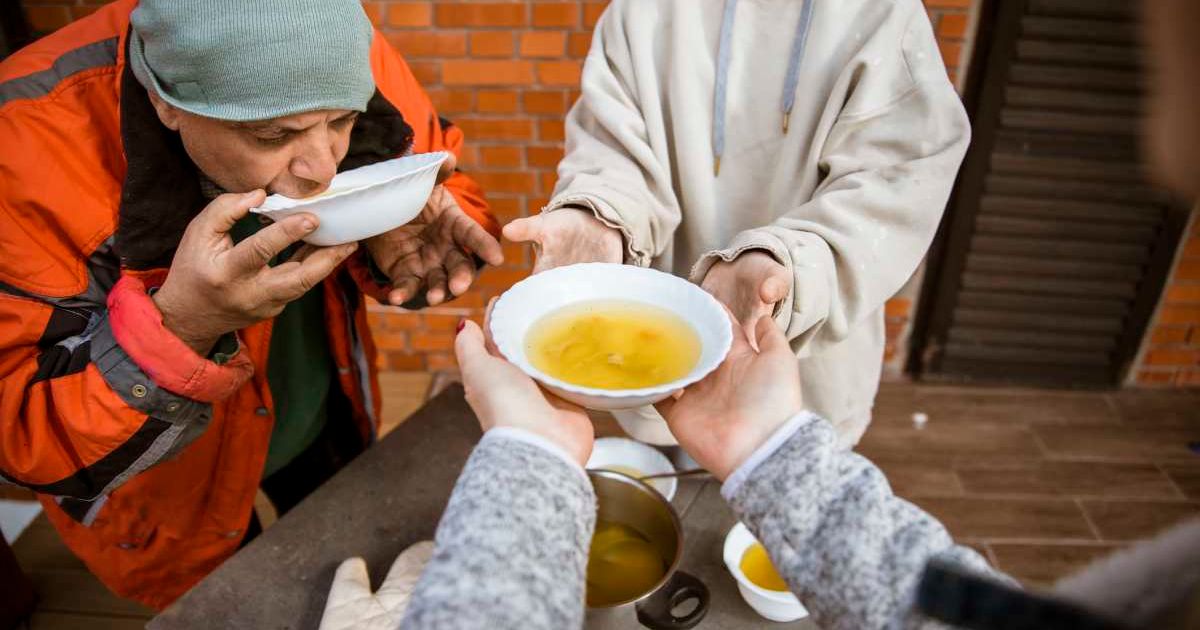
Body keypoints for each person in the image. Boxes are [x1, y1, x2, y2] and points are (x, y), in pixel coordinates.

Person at [0, 0, 501, 609]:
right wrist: (182, 328)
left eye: (344, 119)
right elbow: (16, 431)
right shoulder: (18, 142)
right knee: (231, 607)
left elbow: (434, 162)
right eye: (273, 135)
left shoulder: (333, 31)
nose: (323, 169)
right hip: (163, 489)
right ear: (164, 102)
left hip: (325, 400)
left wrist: (401, 226)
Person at [504, 0, 971, 446]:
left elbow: (897, 176)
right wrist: (599, 216)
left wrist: (792, 266)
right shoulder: (641, 10)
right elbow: (615, 147)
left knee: (786, 478)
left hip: (802, 358)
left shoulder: (884, 13)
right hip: (654, 352)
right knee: (672, 479)